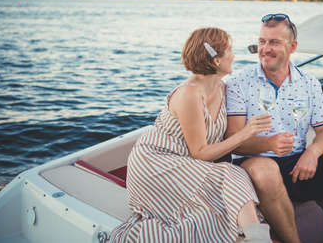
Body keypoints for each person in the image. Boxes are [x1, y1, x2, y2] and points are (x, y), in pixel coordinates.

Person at [110, 27, 274, 243]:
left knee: (210, 210)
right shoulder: (189, 94)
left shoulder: (224, 89)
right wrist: (246, 133)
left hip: (188, 164)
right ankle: (259, 239)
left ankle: (254, 237)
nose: (234, 56)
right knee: (232, 174)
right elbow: (200, 153)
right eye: (230, 51)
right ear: (216, 60)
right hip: (157, 163)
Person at [225, 14, 323, 243]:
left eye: (274, 42)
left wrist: (312, 153)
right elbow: (233, 139)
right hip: (255, 165)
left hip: (299, 166)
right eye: (262, 41)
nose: (265, 49)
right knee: (265, 171)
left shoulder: (309, 83)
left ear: (292, 46)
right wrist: (268, 143)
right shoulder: (238, 83)